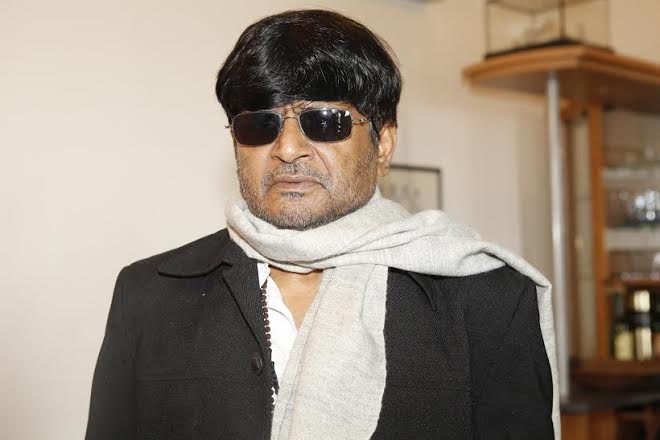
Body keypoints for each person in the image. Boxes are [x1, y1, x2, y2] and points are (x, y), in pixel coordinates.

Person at [85, 9, 559, 440]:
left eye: (325, 121)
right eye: (260, 125)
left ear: (383, 144)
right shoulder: (150, 295)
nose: (288, 149)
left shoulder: (487, 299)